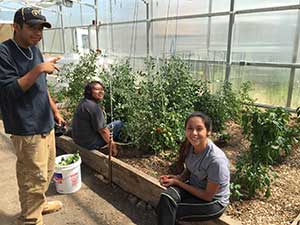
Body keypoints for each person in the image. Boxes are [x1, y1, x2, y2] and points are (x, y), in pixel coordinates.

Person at [0, 7, 66, 225]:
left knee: (45, 172)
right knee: (32, 178)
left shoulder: (34, 49)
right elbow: (10, 92)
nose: (37, 33)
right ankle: (30, 219)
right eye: (31, 27)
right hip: (26, 127)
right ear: (15, 27)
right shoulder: (4, 53)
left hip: (44, 122)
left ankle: (39, 204)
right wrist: (38, 69)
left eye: (41, 28)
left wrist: (54, 110)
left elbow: (41, 86)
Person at [156, 112, 230, 225]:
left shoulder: (216, 160)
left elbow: (207, 196)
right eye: (190, 128)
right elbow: (190, 169)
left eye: (199, 129)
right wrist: (179, 178)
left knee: (171, 210)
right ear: (185, 130)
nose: (194, 133)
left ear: (208, 131)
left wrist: (178, 183)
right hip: (194, 188)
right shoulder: (190, 146)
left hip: (213, 202)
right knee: (166, 198)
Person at [72, 81, 123, 156]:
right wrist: (113, 146)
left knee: (109, 126)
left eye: (102, 89)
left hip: (78, 140)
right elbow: (103, 131)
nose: (101, 92)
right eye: (97, 89)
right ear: (89, 92)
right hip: (89, 144)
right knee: (118, 123)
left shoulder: (84, 102)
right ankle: (114, 147)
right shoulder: (94, 108)